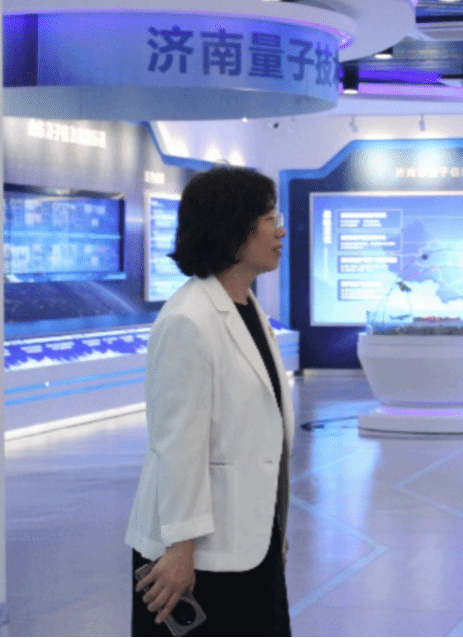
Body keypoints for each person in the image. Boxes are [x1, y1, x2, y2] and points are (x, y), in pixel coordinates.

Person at [125, 167, 294, 636]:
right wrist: (180, 548)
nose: (280, 231)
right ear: (232, 227)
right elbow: (178, 444)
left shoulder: (248, 309)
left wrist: (273, 528)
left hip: (248, 541)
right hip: (196, 555)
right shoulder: (189, 319)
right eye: (269, 218)